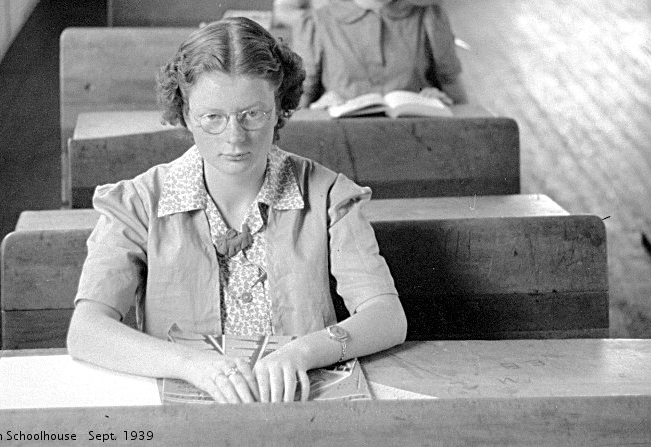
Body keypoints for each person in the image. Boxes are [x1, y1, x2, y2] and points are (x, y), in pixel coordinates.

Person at [67, 17, 407, 404]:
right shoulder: (138, 202)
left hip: (300, 405)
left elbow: (386, 316)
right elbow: (86, 331)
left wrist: (302, 352)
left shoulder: (329, 195)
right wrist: (192, 365)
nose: (234, 138)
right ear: (186, 114)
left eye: (252, 114)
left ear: (279, 109)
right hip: (182, 408)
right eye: (213, 117)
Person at [292, 0, 468, 109]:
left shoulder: (430, 16)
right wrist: (319, 109)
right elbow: (296, 109)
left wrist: (440, 102)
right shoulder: (316, 22)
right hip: (339, 140)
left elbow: (455, 93)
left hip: (418, 137)